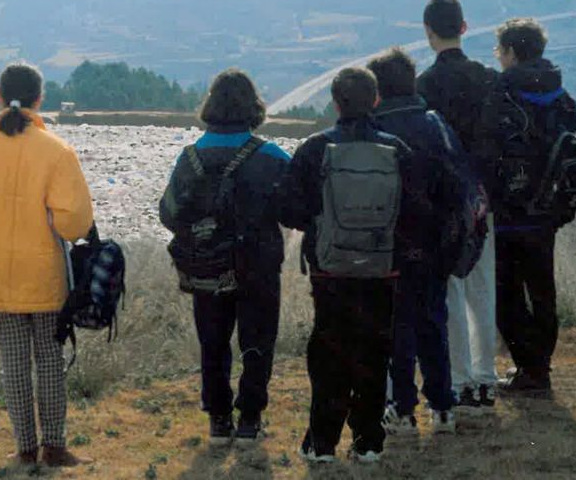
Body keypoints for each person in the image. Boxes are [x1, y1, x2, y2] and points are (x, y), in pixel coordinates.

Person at [280, 67, 460, 463]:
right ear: (375, 101)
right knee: (375, 351)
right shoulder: (396, 149)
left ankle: (322, 444)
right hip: (383, 268)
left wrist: (320, 225)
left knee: (329, 352)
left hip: (330, 269)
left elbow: (289, 209)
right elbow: (419, 209)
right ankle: (369, 442)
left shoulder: (314, 148)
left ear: (334, 101)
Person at [0, 63, 94, 469]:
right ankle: (55, 447)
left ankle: (25, 449)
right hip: (43, 277)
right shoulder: (56, 150)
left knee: (13, 366)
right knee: (50, 362)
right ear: (40, 99)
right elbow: (74, 222)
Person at [158, 68, 291, 446]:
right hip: (259, 266)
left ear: (210, 106)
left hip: (206, 268)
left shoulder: (189, 158)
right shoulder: (272, 156)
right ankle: (249, 419)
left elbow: (168, 213)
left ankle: (218, 420)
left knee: (213, 342)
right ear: (254, 107)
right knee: (257, 340)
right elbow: (295, 209)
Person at [475, 18, 576, 395]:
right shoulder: (560, 92)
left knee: (506, 292)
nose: (499, 58)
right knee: (542, 289)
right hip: (548, 209)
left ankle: (530, 367)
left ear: (513, 52)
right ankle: (540, 366)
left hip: (508, 210)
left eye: (500, 51)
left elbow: (486, 150)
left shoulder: (501, 92)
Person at [366, 47, 459, 436]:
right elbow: (456, 182)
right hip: (434, 242)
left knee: (396, 329)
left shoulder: (373, 131)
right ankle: (443, 408)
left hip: (388, 244)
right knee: (434, 323)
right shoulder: (435, 124)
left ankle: (402, 409)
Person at [415, 0, 500, 414]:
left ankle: (462, 379)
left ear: (429, 32)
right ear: (464, 28)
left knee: (449, 290)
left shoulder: (423, 86)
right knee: (484, 290)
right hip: (484, 199)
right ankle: (487, 379)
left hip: (443, 203)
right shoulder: (487, 78)